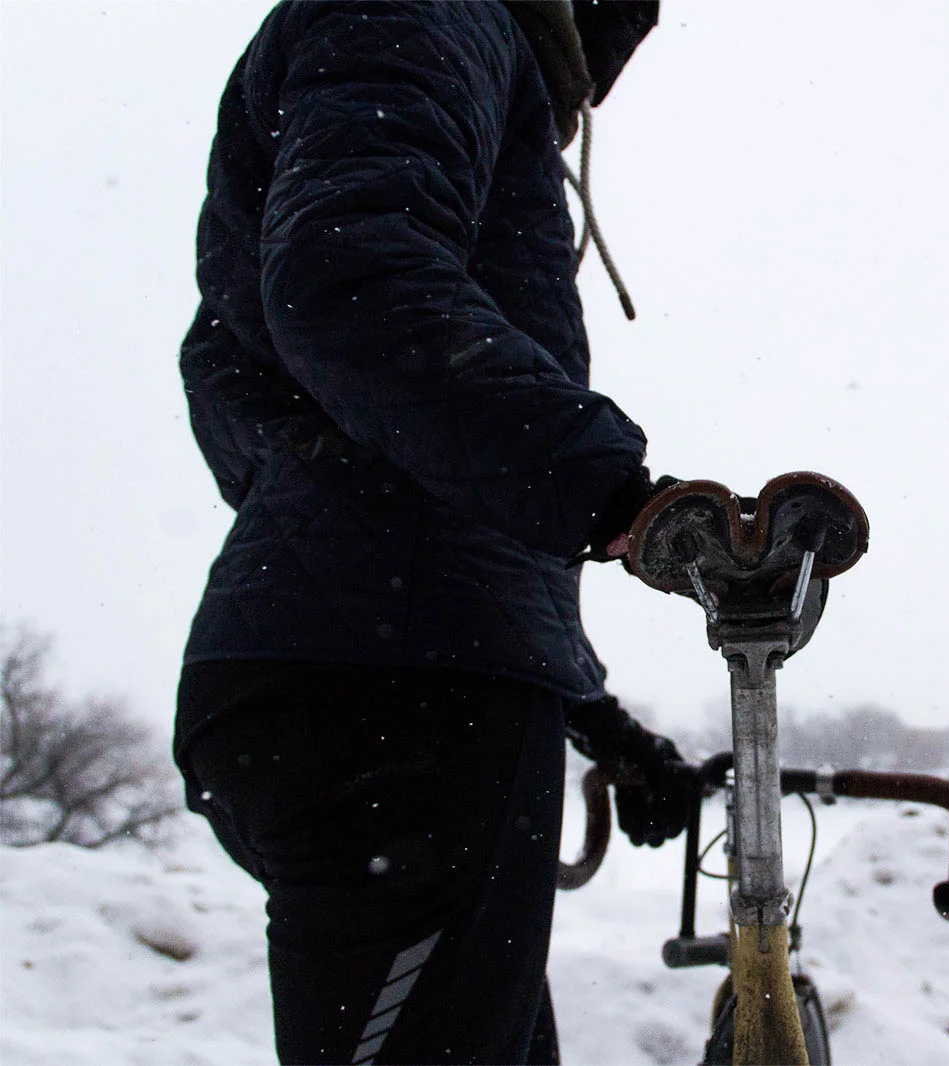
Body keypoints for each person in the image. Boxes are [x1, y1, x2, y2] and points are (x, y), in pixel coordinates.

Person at [173, 3, 694, 1062]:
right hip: (405, 708)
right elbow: (349, 285)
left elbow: (249, 387)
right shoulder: (425, 13)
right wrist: (613, 495)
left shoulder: (429, 38)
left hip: (349, 677)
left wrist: (600, 724)